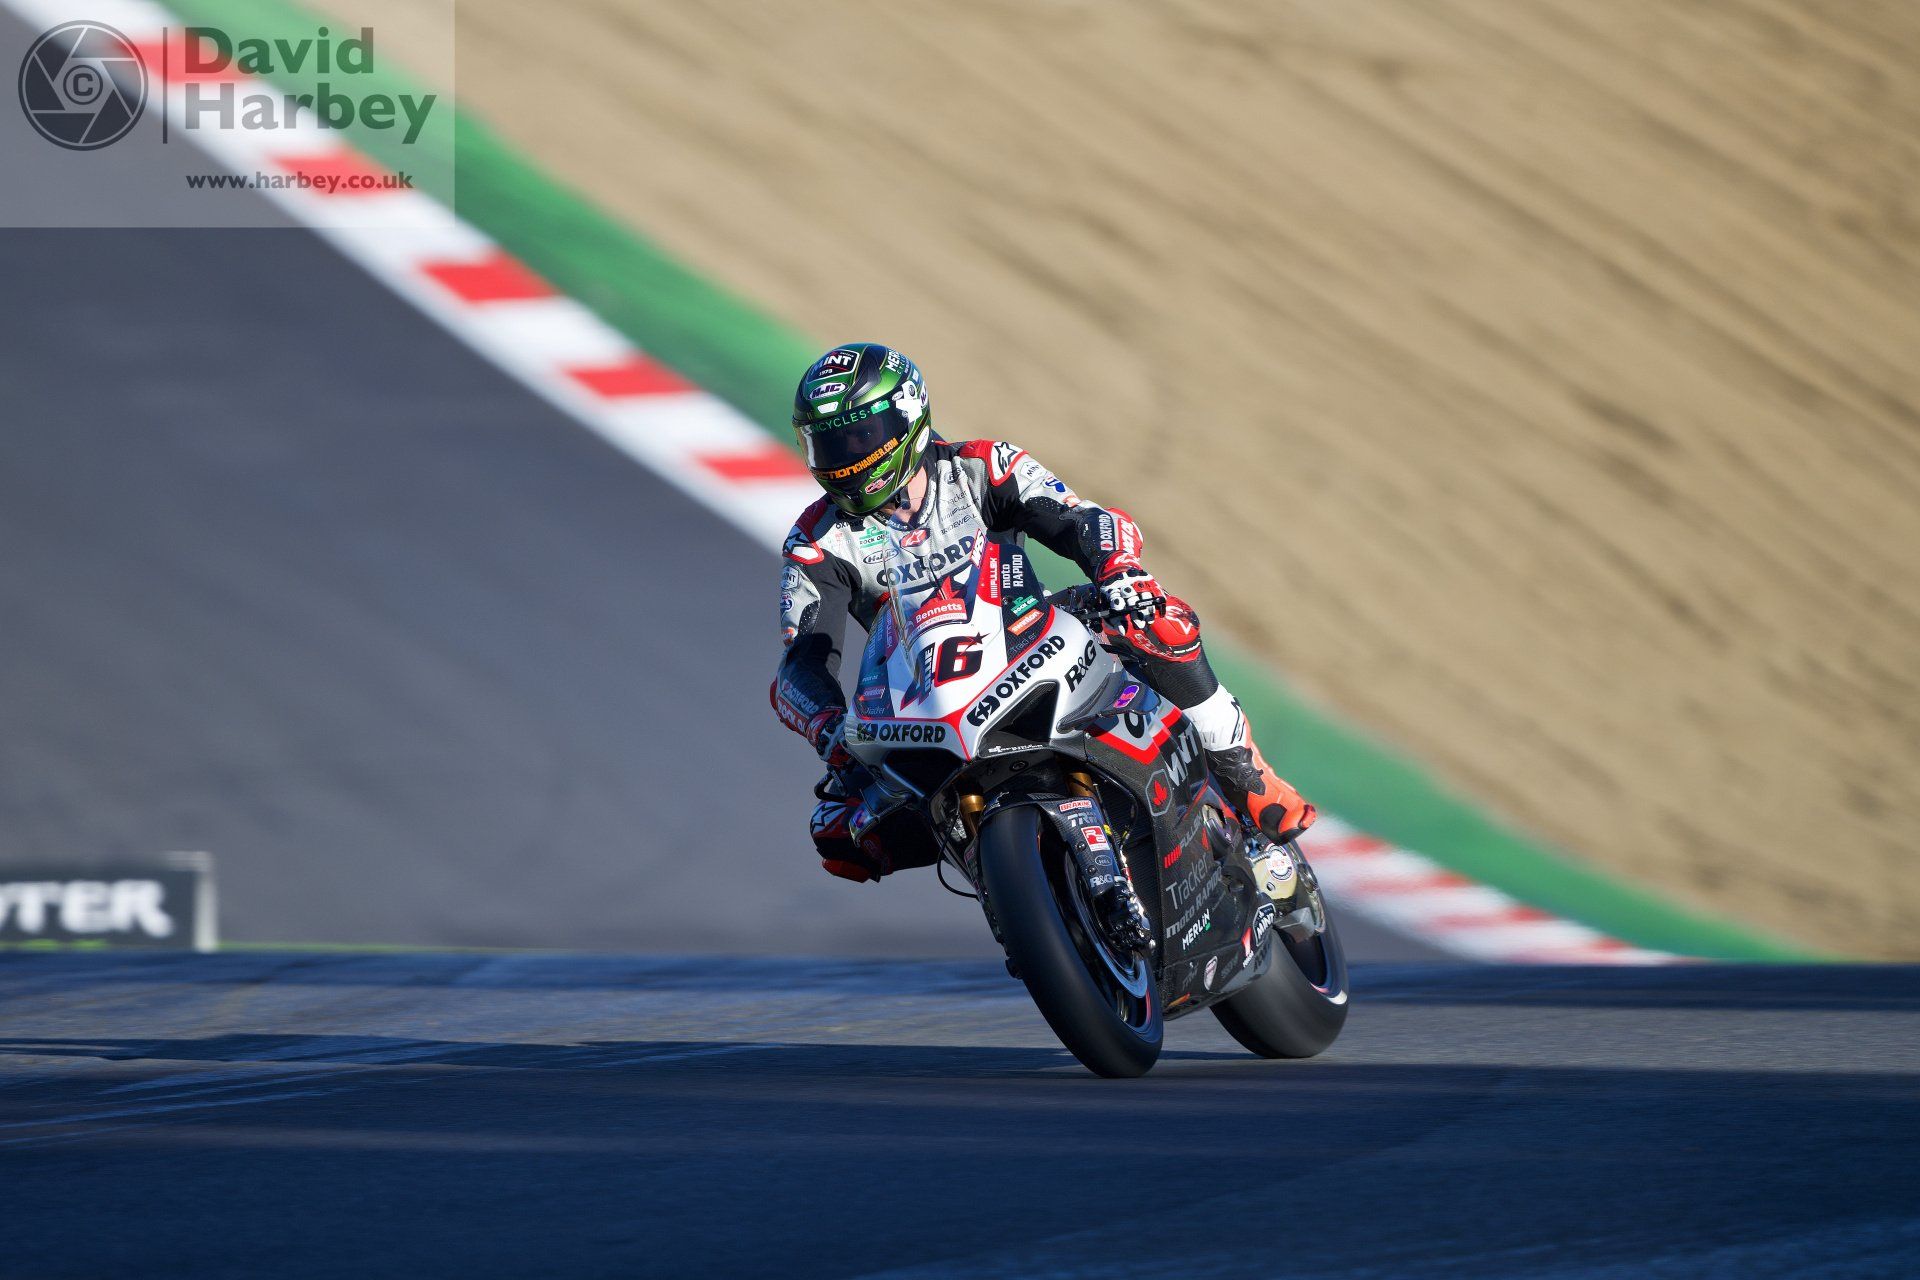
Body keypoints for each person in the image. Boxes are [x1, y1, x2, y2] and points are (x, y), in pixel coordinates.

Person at [772, 342, 1316, 885]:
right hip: (921, 697)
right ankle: (1003, 880)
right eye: (827, 444)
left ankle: (1246, 778)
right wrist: (828, 728)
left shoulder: (981, 465)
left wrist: (1120, 570)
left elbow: (1082, 520)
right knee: (840, 833)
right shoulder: (815, 541)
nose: (845, 458)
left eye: (858, 437)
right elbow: (801, 664)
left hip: (1032, 628)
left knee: (1156, 621)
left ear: (907, 417)